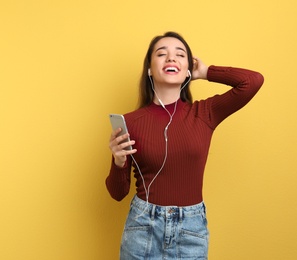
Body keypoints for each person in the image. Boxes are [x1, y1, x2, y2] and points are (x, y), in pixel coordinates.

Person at [105, 31, 264, 259]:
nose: (171, 58)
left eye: (180, 55)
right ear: (150, 69)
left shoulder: (205, 113)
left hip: (191, 228)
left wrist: (206, 71)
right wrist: (118, 162)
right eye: (162, 54)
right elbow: (117, 193)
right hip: (143, 227)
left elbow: (252, 81)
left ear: (188, 69)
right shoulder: (130, 122)